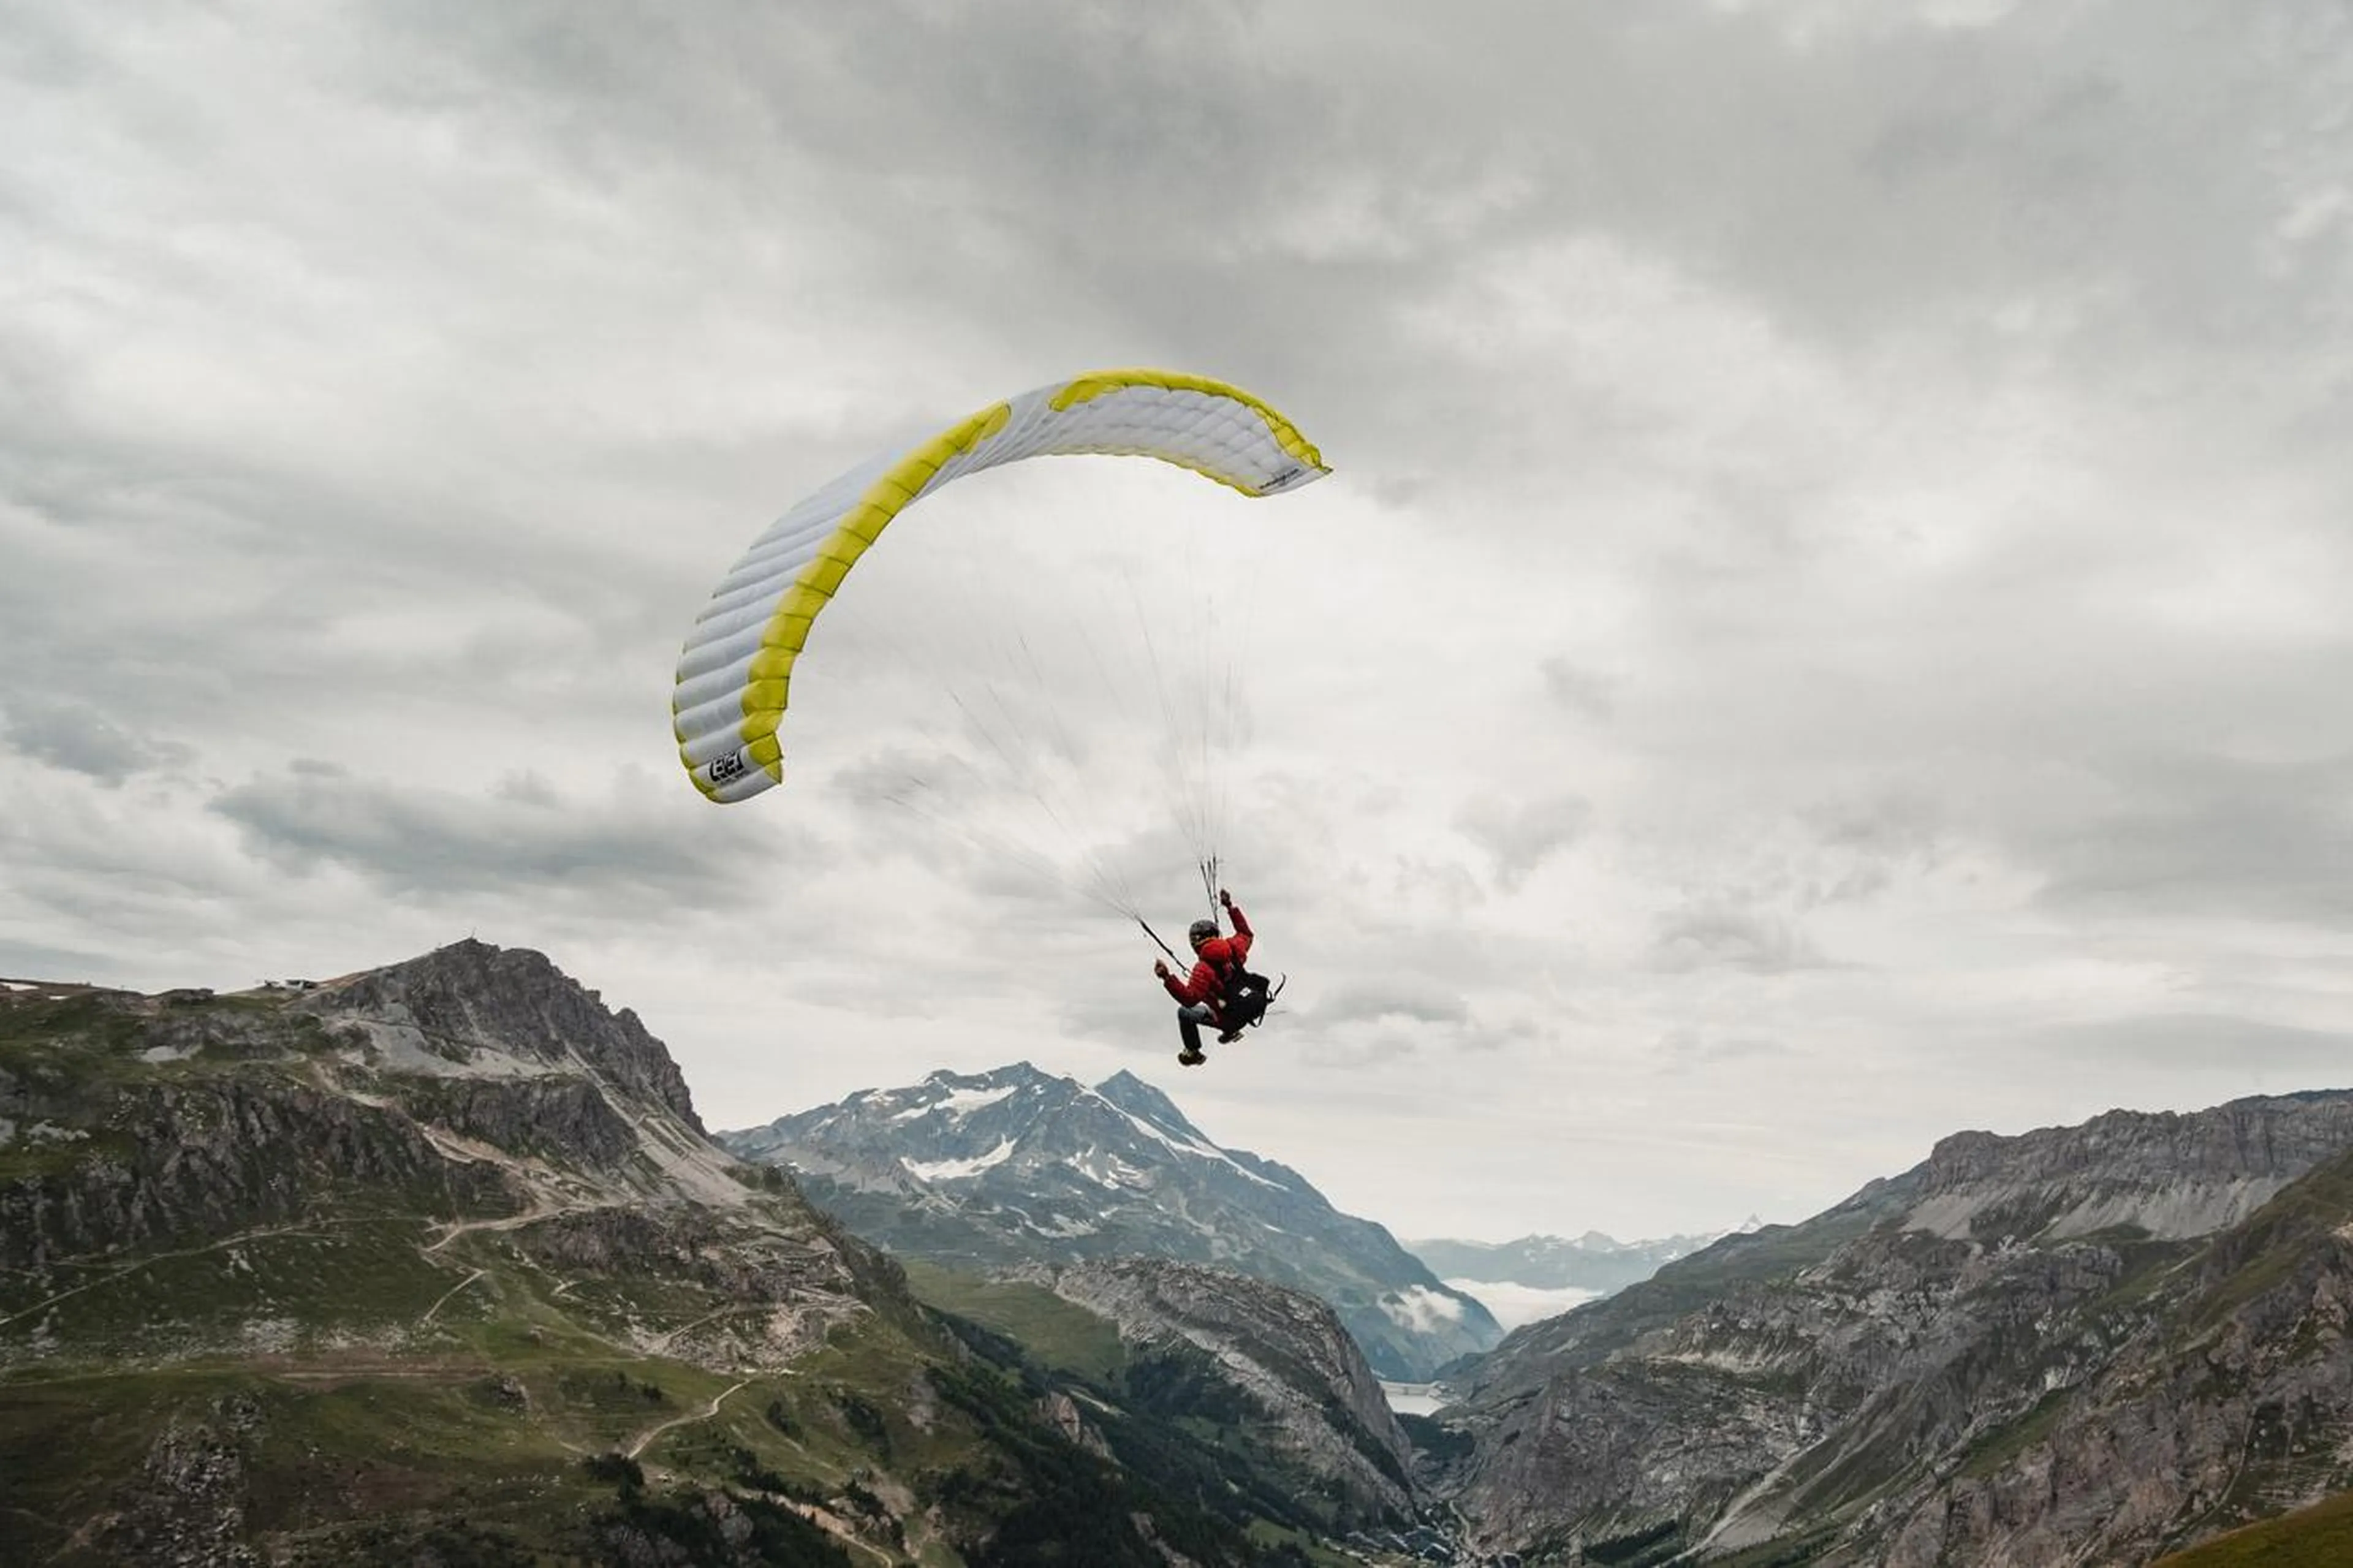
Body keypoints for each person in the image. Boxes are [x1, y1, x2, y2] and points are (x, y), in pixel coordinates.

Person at [1153, 889, 1266, 1066]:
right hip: (1247, 1007)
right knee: (1216, 1001)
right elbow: (1246, 934)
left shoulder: (1203, 969)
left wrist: (1167, 977)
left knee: (1184, 1013)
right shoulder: (1234, 948)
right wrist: (1230, 906)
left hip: (1229, 1019)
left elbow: (1189, 1000)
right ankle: (1231, 1033)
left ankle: (1193, 1052)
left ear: (1195, 942)